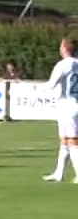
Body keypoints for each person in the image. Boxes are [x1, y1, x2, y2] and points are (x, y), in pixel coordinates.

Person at [43, 37, 78, 183]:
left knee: (72, 141)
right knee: (64, 141)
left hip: (67, 104)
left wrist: (36, 88)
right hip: (74, 103)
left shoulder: (63, 64)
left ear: (65, 49)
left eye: (61, 46)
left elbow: (51, 84)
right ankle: (59, 173)